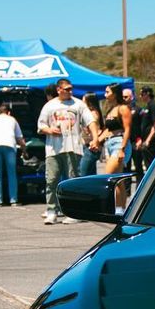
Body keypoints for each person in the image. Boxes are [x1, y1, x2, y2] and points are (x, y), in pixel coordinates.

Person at [38, 77, 92, 224]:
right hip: (53, 149)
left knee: (72, 181)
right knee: (52, 180)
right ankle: (51, 211)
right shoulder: (49, 106)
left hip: (73, 148)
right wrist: (50, 130)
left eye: (71, 88)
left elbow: (90, 121)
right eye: (67, 89)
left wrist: (95, 138)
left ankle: (74, 212)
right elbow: (41, 126)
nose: (70, 91)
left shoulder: (78, 104)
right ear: (58, 89)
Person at [132, 85, 155, 180]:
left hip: (150, 142)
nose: (140, 96)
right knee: (146, 164)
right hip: (145, 140)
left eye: (142, 94)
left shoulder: (153, 105)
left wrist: (148, 140)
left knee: (150, 164)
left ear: (147, 94)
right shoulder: (147, 106)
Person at [79, 92, 104, 176]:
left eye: (83, 100)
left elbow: (91, 128)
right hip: (89, 146)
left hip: (91, 146)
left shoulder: (92, 114)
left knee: (83, 173)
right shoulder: (95, 113)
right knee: (91, 173)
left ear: (89, 102)